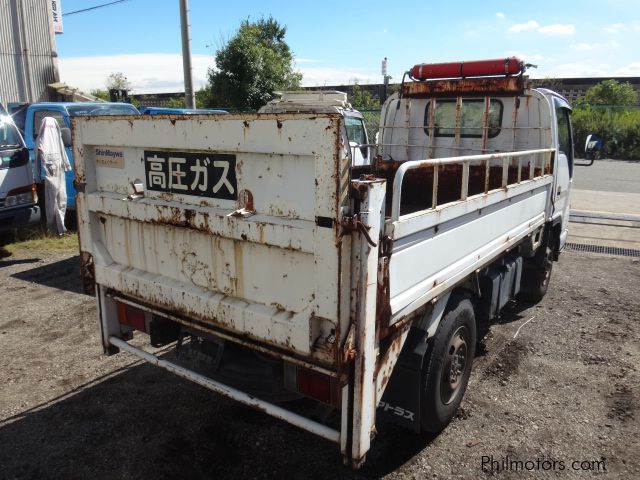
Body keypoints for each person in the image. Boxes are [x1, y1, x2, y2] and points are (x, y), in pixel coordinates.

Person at [36, 117, 71, 235]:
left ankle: (60, 227)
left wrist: (66, 165)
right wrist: (37, 176)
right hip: (50, 172)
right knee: (52, 201)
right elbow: (37, 158)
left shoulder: (58, 137)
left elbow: (62, 149)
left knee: (62, 198)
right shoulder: (41, 140)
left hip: (60, 169)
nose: (50, 129)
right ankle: (53, 228)